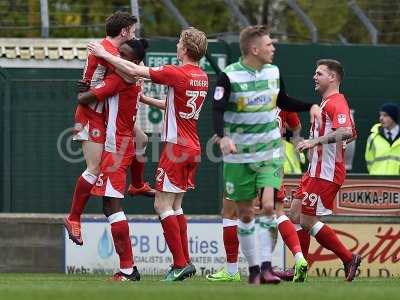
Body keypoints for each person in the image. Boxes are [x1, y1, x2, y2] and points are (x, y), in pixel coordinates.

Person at [87, 27, 209, 281]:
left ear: (185, 49)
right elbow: (171, 104)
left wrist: (104, 54)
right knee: (175, 205)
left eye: (178, 43)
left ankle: (178, 264)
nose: (176, 46)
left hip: (176, 147)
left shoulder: (177, 72)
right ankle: (186, 262)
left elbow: (133, 70)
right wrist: (145, 100)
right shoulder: (202, 76)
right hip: (193, 147)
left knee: (161, 204)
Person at [210, 25, 320, 284]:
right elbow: (216, 109)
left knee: (270, 206)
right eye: (269, 44)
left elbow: (283, 100)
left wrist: (310, 106)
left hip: (269, 154)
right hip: (240, 156)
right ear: (254, 49)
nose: (274, 48)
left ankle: (267, 268)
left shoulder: (273, 72)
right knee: (246, 214)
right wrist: (224, 136)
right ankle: (255, 270)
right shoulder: (230, 76)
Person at [77, 38, 149, 281]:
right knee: (110, 207)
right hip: (120, 145)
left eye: (124, 56)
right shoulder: (131, 76)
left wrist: (85, 88)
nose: (118, 57)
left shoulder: (121, 79)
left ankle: (129, 270)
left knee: (112, 207)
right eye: (118, 52)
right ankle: (128, 269)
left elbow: (84, 99)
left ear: (135, 62)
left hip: (116, 148)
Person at [64, 12, 138, 246]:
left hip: (101, 115)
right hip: (90, 114)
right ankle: (74, 218)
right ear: (124, 31)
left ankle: (137, 184)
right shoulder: (110, 51)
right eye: (133, 31)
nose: (135, 35)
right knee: (94, 168)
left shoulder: (105, 49)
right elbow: (130, 73)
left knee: (139, 139)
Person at [291, 59, 361, 282]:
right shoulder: (324, 103)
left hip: (326, 173)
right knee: (294, 213)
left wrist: (316, 142)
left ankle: (349, 258)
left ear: (332, 77)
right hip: (314, 171)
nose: (314, 76)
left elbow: (347, 131)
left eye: (319, 73)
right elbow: (351, 133)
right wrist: (319, 145)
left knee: (307, 221)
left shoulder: (336, 101)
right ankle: (299, 270)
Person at [365, 103, 400, 175]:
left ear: (394, 117)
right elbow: (369, 161)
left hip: (397, 182)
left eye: (385, 115)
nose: (381, 118)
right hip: (377, 180)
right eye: (380, 115)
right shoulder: (373, 137)